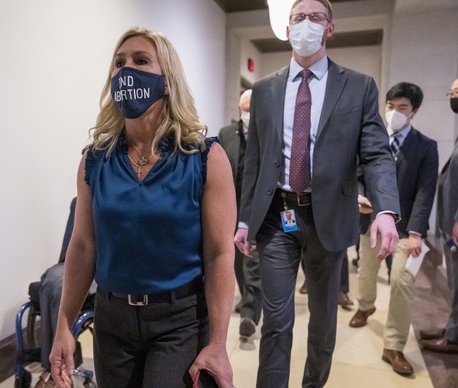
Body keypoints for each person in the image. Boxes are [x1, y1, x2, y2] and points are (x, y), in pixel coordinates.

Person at [48, 27, 236, 388]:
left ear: (167, 81)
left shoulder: (204, 157)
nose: (126, 70)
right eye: (119, 63)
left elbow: (218, 255)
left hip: (178, 320)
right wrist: (63, 326)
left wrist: (217, 343)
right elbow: (84, 246)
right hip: (111, 320)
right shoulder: (95, 160)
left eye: (141, 60)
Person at [233, 1, 400, 387]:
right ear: (287, 28)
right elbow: (254, 162)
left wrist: (386, 209)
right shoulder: (264, 90)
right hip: (278, 217)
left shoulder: (358, 86)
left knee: (323, 324)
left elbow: (375, 154)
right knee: (277, 320)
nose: (306, 24)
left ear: (330, 28)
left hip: (329, 217)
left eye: (316, 17)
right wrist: (244, 219)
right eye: (298, 18)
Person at [350, 82, 438, 375]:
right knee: (366, 270)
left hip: (406, 228)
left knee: (402, 280)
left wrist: (416, 233)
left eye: (402, 108)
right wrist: (359, 193)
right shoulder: (372, 141)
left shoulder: (426, 147)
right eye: (390, 106)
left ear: (414, 112)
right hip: (371, 220)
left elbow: (426, 192)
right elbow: (359, 173)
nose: (394, 113)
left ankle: (394, 346)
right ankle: (365, 306)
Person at [219, 89, 263, 341]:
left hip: (255, 205)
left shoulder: (266, 133)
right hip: (230, 205)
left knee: (252, 257)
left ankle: (249, 312)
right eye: (244, 109)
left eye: (251, 108)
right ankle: (248, 296)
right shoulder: (227, 134)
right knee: (236, 257)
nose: (248, 113)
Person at [420, 77, 458, 354]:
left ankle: (455, 337)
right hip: (451, 222)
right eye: (452, 92)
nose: (453, 97)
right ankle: (453, 327)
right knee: (454, 281)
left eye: (457, 92)